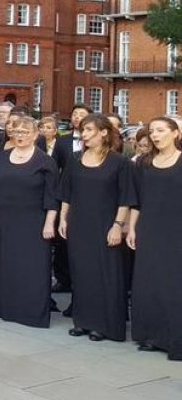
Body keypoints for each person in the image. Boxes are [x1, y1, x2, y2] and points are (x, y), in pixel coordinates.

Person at [59, 114, 135, 342]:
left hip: (106, 224)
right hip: (78, 223)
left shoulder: (119, 162)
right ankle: (83, 321)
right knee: (81, 272)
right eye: (83, 130)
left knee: (106, 274)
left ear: (103, 132)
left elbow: (126, 198)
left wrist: (118, 226)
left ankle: (105, 325)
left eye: (89, 129)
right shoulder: (75, 159)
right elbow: (66, 193)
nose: (84, 134)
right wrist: (63, 219)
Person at [0, 115, 59, 328]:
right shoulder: (1, 157)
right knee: (6, 263)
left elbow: (52, 196)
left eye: (25, 132)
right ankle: (4, 307)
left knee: (31, 266)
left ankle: (30, 312)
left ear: (35, 135)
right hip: (5, 218)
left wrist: (49, 223)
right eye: (17, 131)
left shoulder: (45, 161)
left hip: (34, 221)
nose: (20, 135)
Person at [128, 117, 182, 360]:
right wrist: (131, 228)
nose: (155, 135)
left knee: (173, 284)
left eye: (161, 130)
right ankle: (151, 336)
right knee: (148, 282)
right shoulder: (143, 163)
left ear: (176, 133)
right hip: (149, 228)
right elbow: (136, 200)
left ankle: (175, 338)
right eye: (152, 131)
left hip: (176, 230)